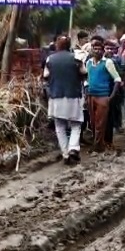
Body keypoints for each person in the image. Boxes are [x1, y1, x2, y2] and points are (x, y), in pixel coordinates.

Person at [44, 36, 87, 164]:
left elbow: (45, 76)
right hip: (73, 96)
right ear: (69, 45)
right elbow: (84, 74)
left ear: (57, 45)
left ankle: (65, 153)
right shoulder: (77, 58)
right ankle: (73, 148)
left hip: (56, 96)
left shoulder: (50, 59)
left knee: (59, 126)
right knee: (75, 124)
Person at [85, 40, 122, 151]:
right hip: (91, 95)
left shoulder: (107, 62)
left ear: (102, 51)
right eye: (95, 49)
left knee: (101, 123)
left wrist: (111, 97)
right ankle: (97, 144)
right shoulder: (88, 63)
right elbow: (87, 79)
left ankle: (98, 146)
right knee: (93, 122)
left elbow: (117, 79)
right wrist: (86, 92)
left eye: (99, 49)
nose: (97, 51)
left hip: (103, 96)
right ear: (91, 49)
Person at [104, 40, 123, 143]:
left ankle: (116, 126)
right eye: (107, 48)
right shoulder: (98, 61)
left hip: (114, 89)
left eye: (111, 48)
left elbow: (120, 74)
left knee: (115, 109)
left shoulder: (116, 60)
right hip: (102, 90)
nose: (109, 50)